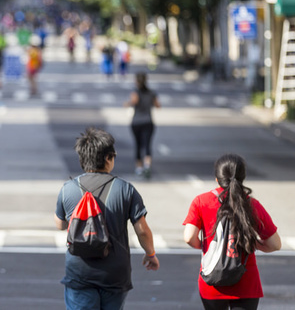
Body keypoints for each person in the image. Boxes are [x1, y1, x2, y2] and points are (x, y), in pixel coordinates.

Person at [55, 128, 160, 310]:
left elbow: (60, 224)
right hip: (114, 274)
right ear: (108, 159)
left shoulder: (68, 189)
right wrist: (150, 254)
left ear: (82, 159)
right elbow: (142, 230)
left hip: (80, 273)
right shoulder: (125, 189)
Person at [183, 154, 281, 310]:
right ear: (242, 178)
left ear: (217, 178)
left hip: (212, 281)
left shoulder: (201, 201)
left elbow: (189, 237)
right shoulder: (251, 204)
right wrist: (251, 242)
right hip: (246, 281)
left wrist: (207, 246)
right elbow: (275, 244)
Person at [125, 72, 160, 178]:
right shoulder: (152, 93)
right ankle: (147, 165)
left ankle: (139, 167)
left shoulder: (135, 92)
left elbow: (133, 101)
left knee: (138, 144)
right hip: (148, 122)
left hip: (136, 122)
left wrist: (127, 103)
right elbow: (158, 105)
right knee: (147, 145)